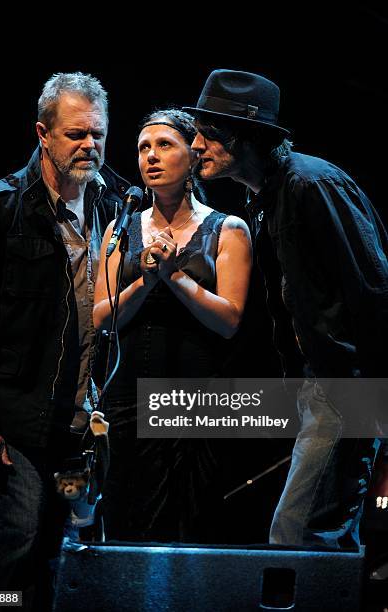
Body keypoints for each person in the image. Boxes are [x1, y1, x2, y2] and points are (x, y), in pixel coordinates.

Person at [184, 69, 388, 549]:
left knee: (297, 536)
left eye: (208, 134)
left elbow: (374, 289)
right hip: (323, 386)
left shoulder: (311, 185)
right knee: (321, 537)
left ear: (247, 137)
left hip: (346, 388)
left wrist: (374, 394)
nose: (195, 145)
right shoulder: (266, 197)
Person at [0, 72, 128, 609]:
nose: (89, 145)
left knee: (69, 553)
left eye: (98, 134)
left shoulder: (117, 205)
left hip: (84, 418)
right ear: (43, 134)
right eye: (76, 134)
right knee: (14, 545)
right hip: (17, 417)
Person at [93, 108, 252, 542]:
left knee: (187, 517)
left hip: (196, 392)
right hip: (126, 395)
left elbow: (230, 321)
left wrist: (175, 277)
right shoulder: (119, 228)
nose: (151, 156)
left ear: (193, 155)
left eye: (164, 145)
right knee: (127, 514)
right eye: (144, 147)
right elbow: (101, 317)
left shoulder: (227, 228)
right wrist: (145, 283)